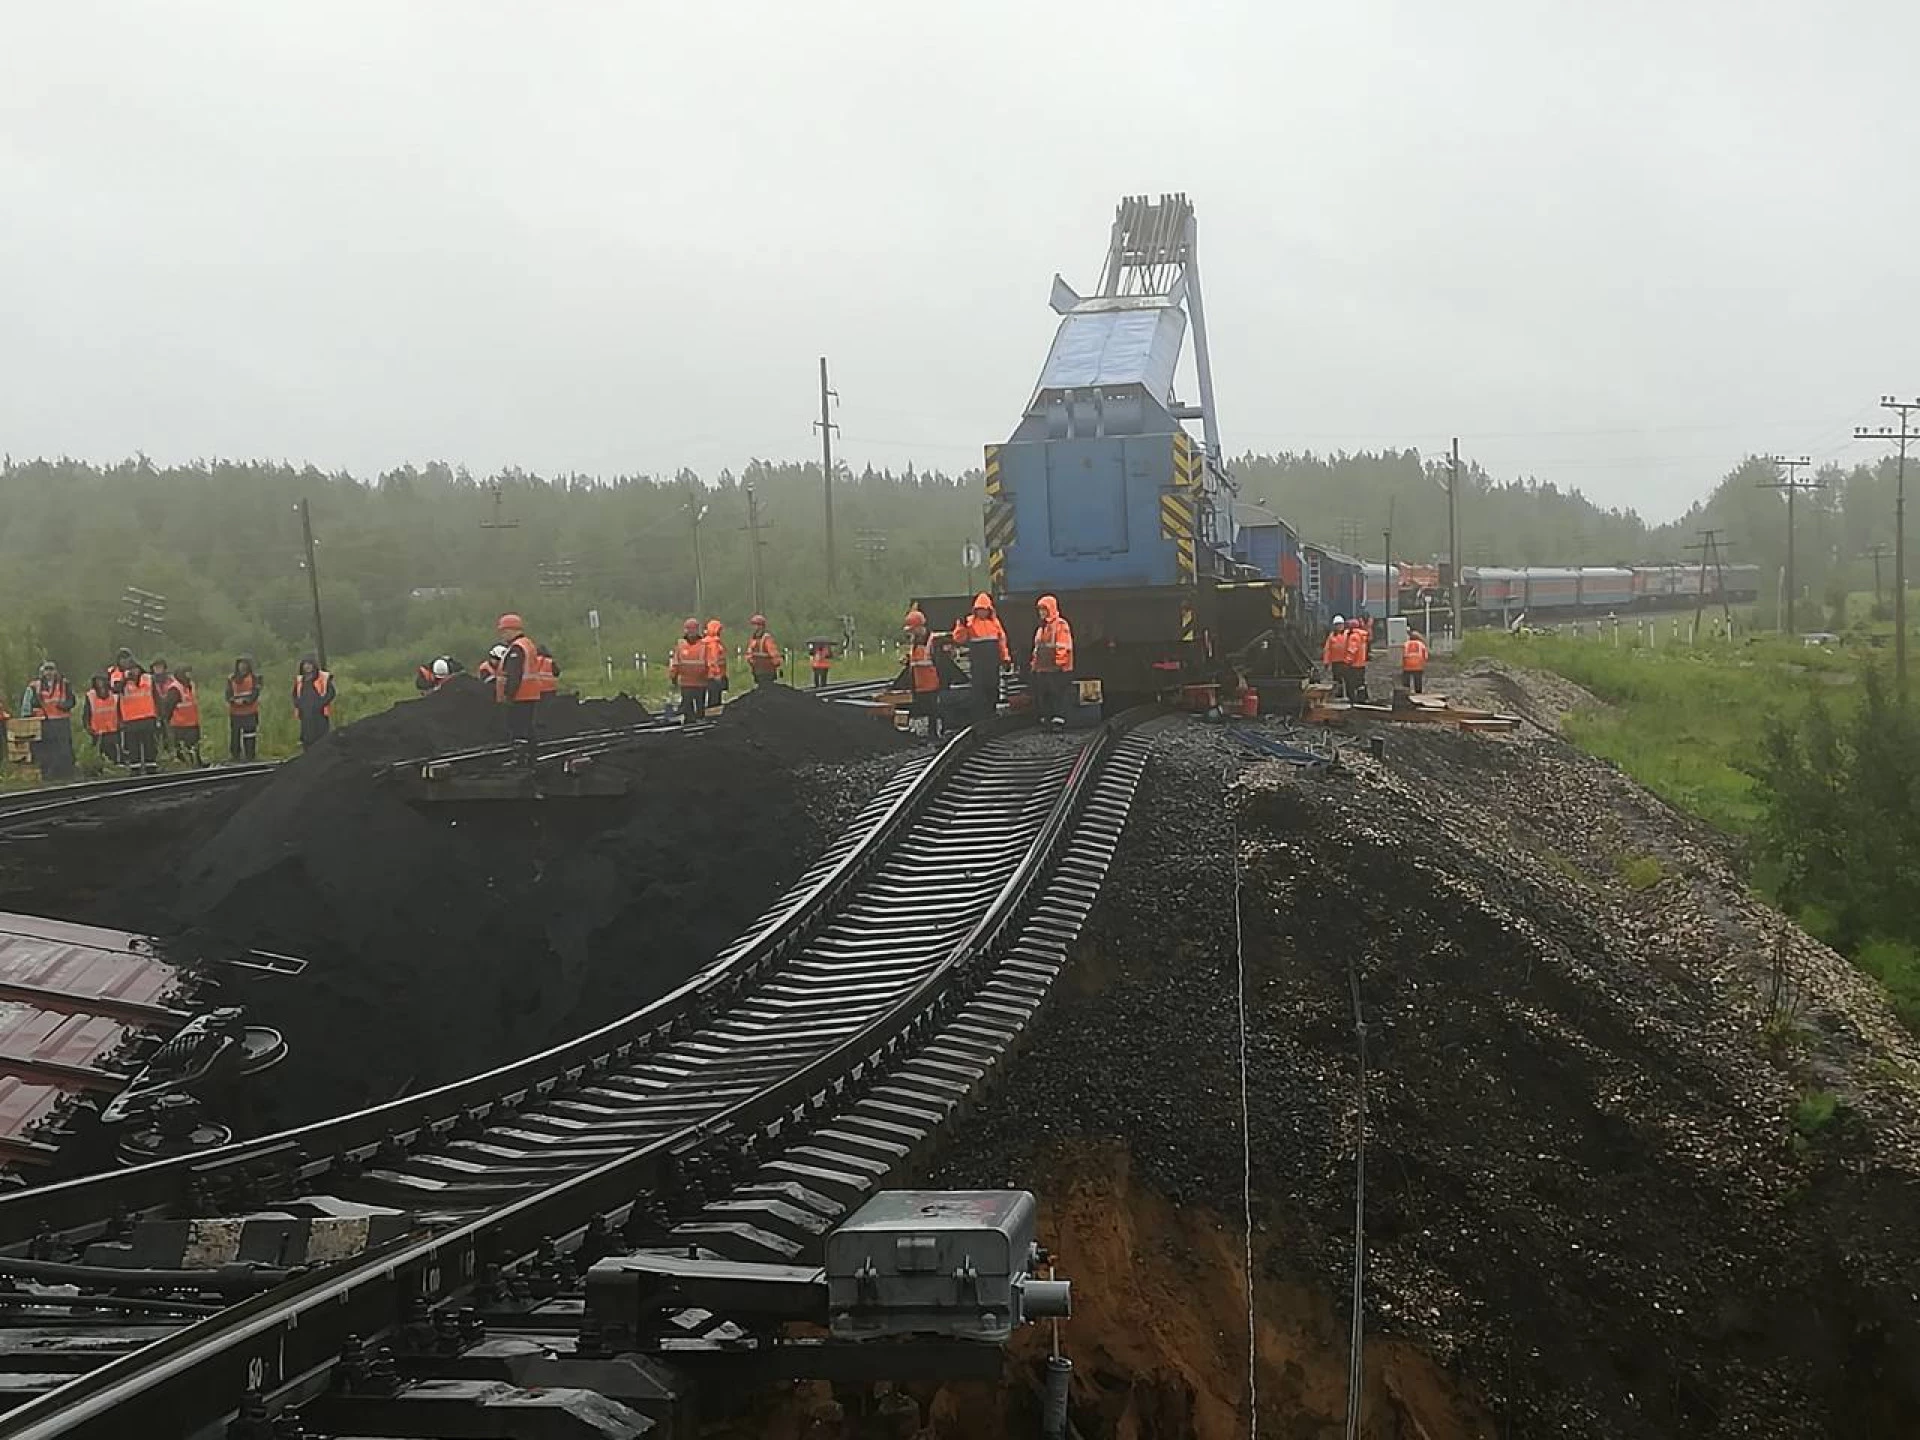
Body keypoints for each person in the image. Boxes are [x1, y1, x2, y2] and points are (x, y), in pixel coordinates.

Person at [952, 592, 1011, 722]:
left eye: (984, 610)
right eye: (979, 610)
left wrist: (1005, 658)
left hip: (992, 661)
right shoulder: (969, 622)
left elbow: (1002, 641)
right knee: (979, 688)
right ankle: (981, 715)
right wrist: (960, 626)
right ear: (975, 610)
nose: (982, 612)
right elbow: (959, 639)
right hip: (978, 661)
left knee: (992, 686)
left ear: (989, 610)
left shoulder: (995, 623)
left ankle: (991, 711)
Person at [493, 614, 542, 744]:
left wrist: (508, 696)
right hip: (530, 695)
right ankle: (530, 754)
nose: (502, 635)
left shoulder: (517, 648)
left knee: (518, 731)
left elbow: (514, 674)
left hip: (520, 697)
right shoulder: (527, 644)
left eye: (503, 631)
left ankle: (522, 757)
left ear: (511, 630)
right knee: (527, 730)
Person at [24, 662, 76, 780]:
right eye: (46, 670)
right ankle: (48, 776)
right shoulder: (35, 686)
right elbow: (28, 705)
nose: (49, 673)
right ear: (42, 672)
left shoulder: (64, 684)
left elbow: (72, 701)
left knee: (64, 750)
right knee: (47, 751)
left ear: (55, 671)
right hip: (44, 722)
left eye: (51, 670)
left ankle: (66, 775)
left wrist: (64, 706)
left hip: (61, 722)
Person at [1031, 594, 1074, 728]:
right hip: (1044, 668)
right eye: (1040, 610)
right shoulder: (1041, 628)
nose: (1041, 613)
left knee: (1057, 694)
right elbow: (1037, 648)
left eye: (1044, 609)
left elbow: (1064, 646)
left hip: (1056, 669)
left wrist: (1059, 663)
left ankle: (1058, 721)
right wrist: (1034, 665)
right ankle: (1047, 719)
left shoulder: (1060, 625)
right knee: (1045, 695)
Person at [900, 609, 944, 738]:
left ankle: (934, 734)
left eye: (913, 629)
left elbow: (940, 664)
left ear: (920, 627)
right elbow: (916, 661)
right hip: (918, 684)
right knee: (922, 709)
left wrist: (941, 684)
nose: (911, 632)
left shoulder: (932, 641)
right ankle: (922, 734)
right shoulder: (914, 641)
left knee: (933, 711)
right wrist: (908, 659)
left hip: (931, 684)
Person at [117, 660, 162, 775]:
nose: (133, 672)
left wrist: (159, 714)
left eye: (135, 669)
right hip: (131, 720)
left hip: (148, 717)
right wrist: (125, 679)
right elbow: (115, 690)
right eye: (130, 669)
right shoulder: (123, 683)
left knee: (150, 744)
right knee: (133, 746)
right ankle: (135, 768)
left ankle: (151, 766)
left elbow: (156, 696)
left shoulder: (148, 679)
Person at [670, 618, 710, 723]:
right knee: (687, 707)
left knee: (700, 706)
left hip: (701, 682)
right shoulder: (681, 645)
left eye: (693, 630)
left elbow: (709, 662)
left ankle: (699, 722)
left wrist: (711, 676)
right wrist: (673, 676)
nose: (691, 632)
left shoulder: (704, 645)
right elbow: (676, 662)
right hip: (686, 682)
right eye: (689, 630)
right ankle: (690, 723)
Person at [292, 655, 336, 749]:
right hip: (305, 713)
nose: (307, 667)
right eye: (305, 664)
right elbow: (295, 694)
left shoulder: (323, 677)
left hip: (319, 712)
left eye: (309, 664)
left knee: (321, 737)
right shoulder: (300, 680)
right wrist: (298, 704)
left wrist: (321, 703)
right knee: (307, 737)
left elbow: (331, 692)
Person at [225, 655, 262, 761]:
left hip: (250, 712)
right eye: (240, 664)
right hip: (235, 712)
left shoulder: (255, 678)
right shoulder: (231, 678)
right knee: (235, 736)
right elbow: (228, 694)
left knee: (250, 735)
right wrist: (233, 700)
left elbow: (255, 693)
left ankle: (250, 756)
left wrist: (246, 701)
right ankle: (235, 756)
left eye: (245, 664)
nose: (242, 667)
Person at [167, 666, 205, 766]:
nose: (189, 675)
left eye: (190, 672)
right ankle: (186, 765)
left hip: (192, 722)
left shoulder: (191, 685)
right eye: (186, 673)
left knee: (195, 746)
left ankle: (197, 763)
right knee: (182, 749)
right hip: (179, 724)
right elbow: (169, 707)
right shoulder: (175, 688)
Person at [83, 673, 121, 764]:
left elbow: (120, 710)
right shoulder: (90, 695)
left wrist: (121, 722)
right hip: (97, 730)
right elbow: (86, 713)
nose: (100, 683)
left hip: (113, 729)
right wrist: (87, 726)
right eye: (97, 681)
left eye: (101, 680)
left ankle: (116, 767)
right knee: (99, 754)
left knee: (114, 753)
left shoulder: (114, 694)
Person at [746, 615, 782, 687]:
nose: (754, 627)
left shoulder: (767, 638)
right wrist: (751, 661)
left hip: (767, 672)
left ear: (761, 626)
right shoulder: (753, 639)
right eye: (753, 625)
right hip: (757, 671)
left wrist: (776, 663)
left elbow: (774, 654)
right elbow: (749, 654)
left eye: (756, 625)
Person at [1343, 614, 1371, 703]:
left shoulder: (1353, 636)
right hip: (1361, 663)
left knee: (1351, 683)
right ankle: (1362, 698)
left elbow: (1352, 650)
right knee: (1360, 682)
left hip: (1354, 664)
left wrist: (1347, 661)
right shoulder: (1362, 636)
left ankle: (1352, 700)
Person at [702, 620, 728, 713]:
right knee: (715, 699)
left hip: (707, 675)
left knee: (709, 698)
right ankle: (712, 717)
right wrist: (717, 675)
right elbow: (714, 660)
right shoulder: (714, 643)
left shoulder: (705, 642)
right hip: (715, 676)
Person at [1323, 616, 1348, 699]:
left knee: (1348, 679)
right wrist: (1326, 662)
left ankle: (1349, 695)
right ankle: (1339, 695)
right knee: (1337, 680)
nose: (1339, 626)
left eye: (1340, 624)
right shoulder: (1331, 636)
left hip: (1346, 661)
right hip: (1336, 662)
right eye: (1337, 625)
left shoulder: (1347, 634)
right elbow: (1327, 649)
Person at [1401, 629, 1429, 695]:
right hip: (1418, 665)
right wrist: (1423, 663)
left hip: (1407, 665)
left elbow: (1403, 655)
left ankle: (1406, 692)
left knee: (1406, 680)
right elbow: (1426, 656)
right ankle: (1418, 693)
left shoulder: (1406, 644)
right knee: (1418, 680)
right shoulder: (1421, 644)